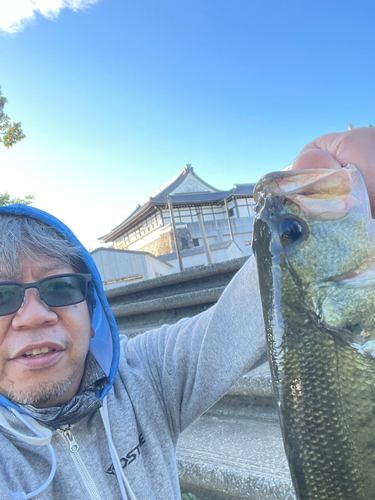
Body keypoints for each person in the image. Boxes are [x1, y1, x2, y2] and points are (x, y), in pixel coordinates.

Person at [0, 126, 373, 500]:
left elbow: (272, 299)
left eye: (60, 287)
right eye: (2, 297)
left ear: (91, 306)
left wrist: (330, 184)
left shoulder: (144, 374)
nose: (33, 316)